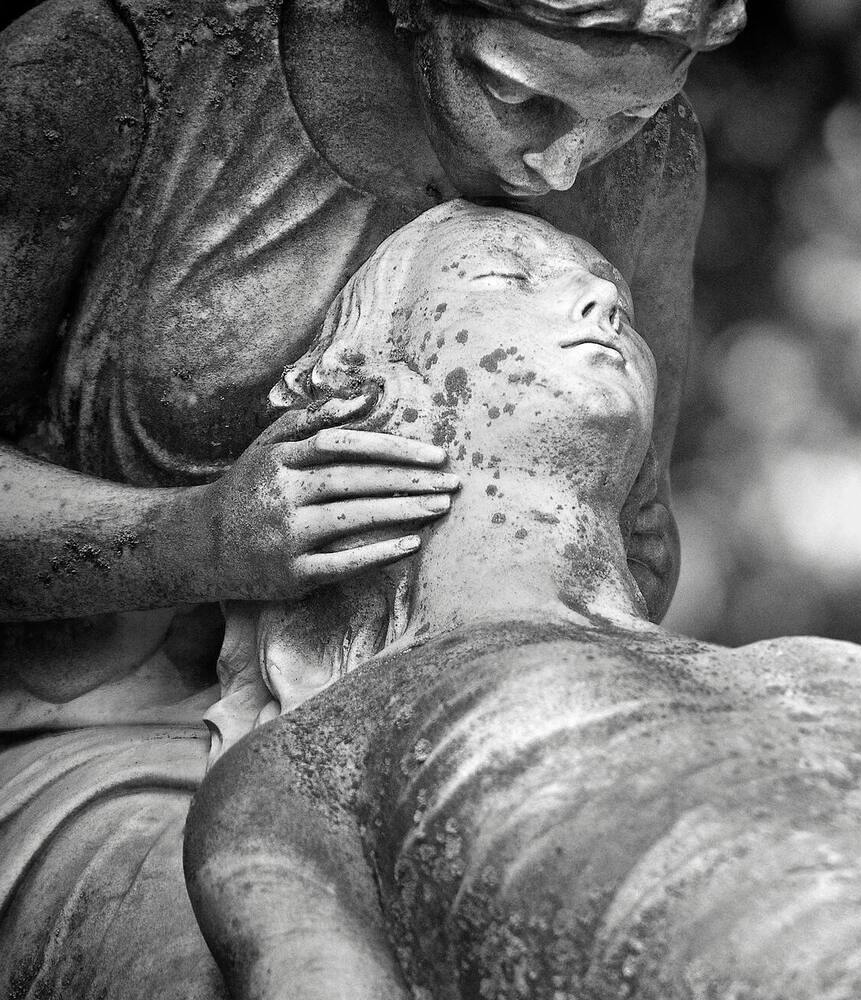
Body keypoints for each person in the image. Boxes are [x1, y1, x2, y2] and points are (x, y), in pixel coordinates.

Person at [0, 1, 740, 992]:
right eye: (515, 91)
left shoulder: (647, 165)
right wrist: (190, 539)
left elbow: (636, 530)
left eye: (631, 117)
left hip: (459, 737)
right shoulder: (114, 67)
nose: (563, 166)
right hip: (103, 731)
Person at [185, 202, 861, 1000]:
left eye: (620, 298)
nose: (604, 298)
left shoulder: (821, 669)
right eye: (505, 278)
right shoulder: (313, 759)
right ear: (361, 387)